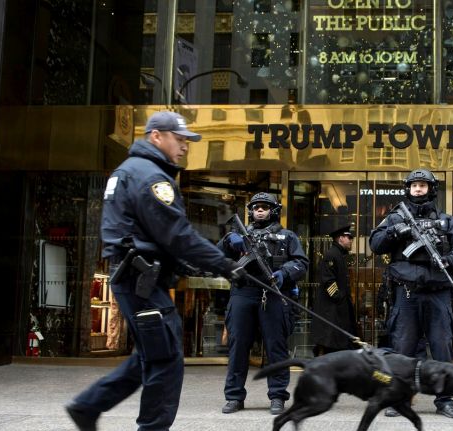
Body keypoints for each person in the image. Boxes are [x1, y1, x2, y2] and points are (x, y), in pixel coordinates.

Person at [66, 111, 248, 430]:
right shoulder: (150, 178)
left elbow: (159, 235)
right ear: (156, 136)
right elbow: (178, 236)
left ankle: (87, 406)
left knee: (150, 355)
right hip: (142, 283)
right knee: (165, 361)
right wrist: (226, 265)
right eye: (179, 140)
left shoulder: (130, 171)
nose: (184, 147)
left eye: (186, 142)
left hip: (137, 279)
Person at [369, 169, 453, 419]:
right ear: (408, 189)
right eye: (414, 185)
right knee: (402, 348)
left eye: (422, 185)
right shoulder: (394, 217)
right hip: (407, 293)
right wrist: (396, 231)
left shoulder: (447, 221)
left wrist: (447, 260)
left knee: (442, 347)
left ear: (431, 189)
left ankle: (445, 400)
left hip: (438, 293)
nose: (417, 189)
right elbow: (375, 244)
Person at [219, 192, 309, 416]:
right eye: (256, 207)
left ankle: (277, 395)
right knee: (238, 347)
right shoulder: (238, 234)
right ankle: (234, 396)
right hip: (243, 292)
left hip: (274, 294)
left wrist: (283, 274)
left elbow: (301, 263)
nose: (260, 210)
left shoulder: (287, 236)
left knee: (276, 348)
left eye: (265, 207)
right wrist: (228, 240)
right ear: (250, 211)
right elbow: (217, 257)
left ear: (274, 211)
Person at [311, 225, 358, 356]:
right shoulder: (332, 255)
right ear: (340, 238)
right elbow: (328, 280)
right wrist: (338, 297)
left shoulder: (339, 254)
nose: (351, 240)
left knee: (338, 341)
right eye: (349, 237)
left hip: (337, 308)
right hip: (332, 308)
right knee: (329, 342)